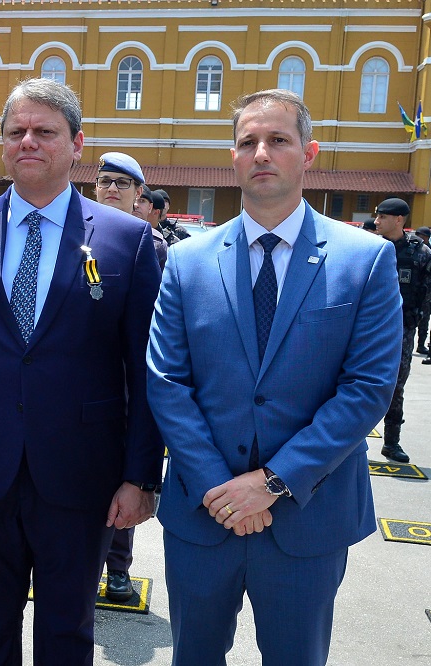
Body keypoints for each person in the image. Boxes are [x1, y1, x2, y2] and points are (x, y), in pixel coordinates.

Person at [0, 78, 162, 664]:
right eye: (16, 131)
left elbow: (146, 367)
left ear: (76, 144)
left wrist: (141, 475)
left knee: (68, 627)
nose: (28, 141)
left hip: (82, 471)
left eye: (44, 131)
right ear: (2, 143)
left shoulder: (126, 240)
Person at [147, 89, 402, 666]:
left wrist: (272, 482)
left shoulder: (364, 259)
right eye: (247, 142)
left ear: (308, 152)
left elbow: (366, 388)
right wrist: (221, 487)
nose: (261, 153)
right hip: (203, 516)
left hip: (307, 519)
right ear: (233, 158)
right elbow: (167, 380)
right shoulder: (187, 261)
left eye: (278, 140)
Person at [92, 150, 156, 603]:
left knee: (123, 483)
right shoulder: (76, 235)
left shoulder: (151, 246)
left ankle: (118, 569)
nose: (112, 189)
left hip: (129, 388)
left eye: (123, 184)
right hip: (85, 384)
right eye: (105, 181)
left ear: (139, 196)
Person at [373, 197, 431, 463]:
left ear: (399, 220)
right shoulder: (369, 247)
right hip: (368, 327)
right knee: (351, 382)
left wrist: (419, 322)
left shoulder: (420, 253)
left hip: (402, 330)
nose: (377, 222)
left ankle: (391, 442)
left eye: (383, 217)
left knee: (396, 385)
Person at [134, 185, 168, 270]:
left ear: (150, 207)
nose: (136, 205)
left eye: (142, 201)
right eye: (133, 200)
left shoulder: (159, 245)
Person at [415, 226, 431, 355]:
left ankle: (421, 344)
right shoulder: (413, 249)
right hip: (415, 290)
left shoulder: (428, 252)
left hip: (427, 291)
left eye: (422, 236)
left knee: (424, 319)